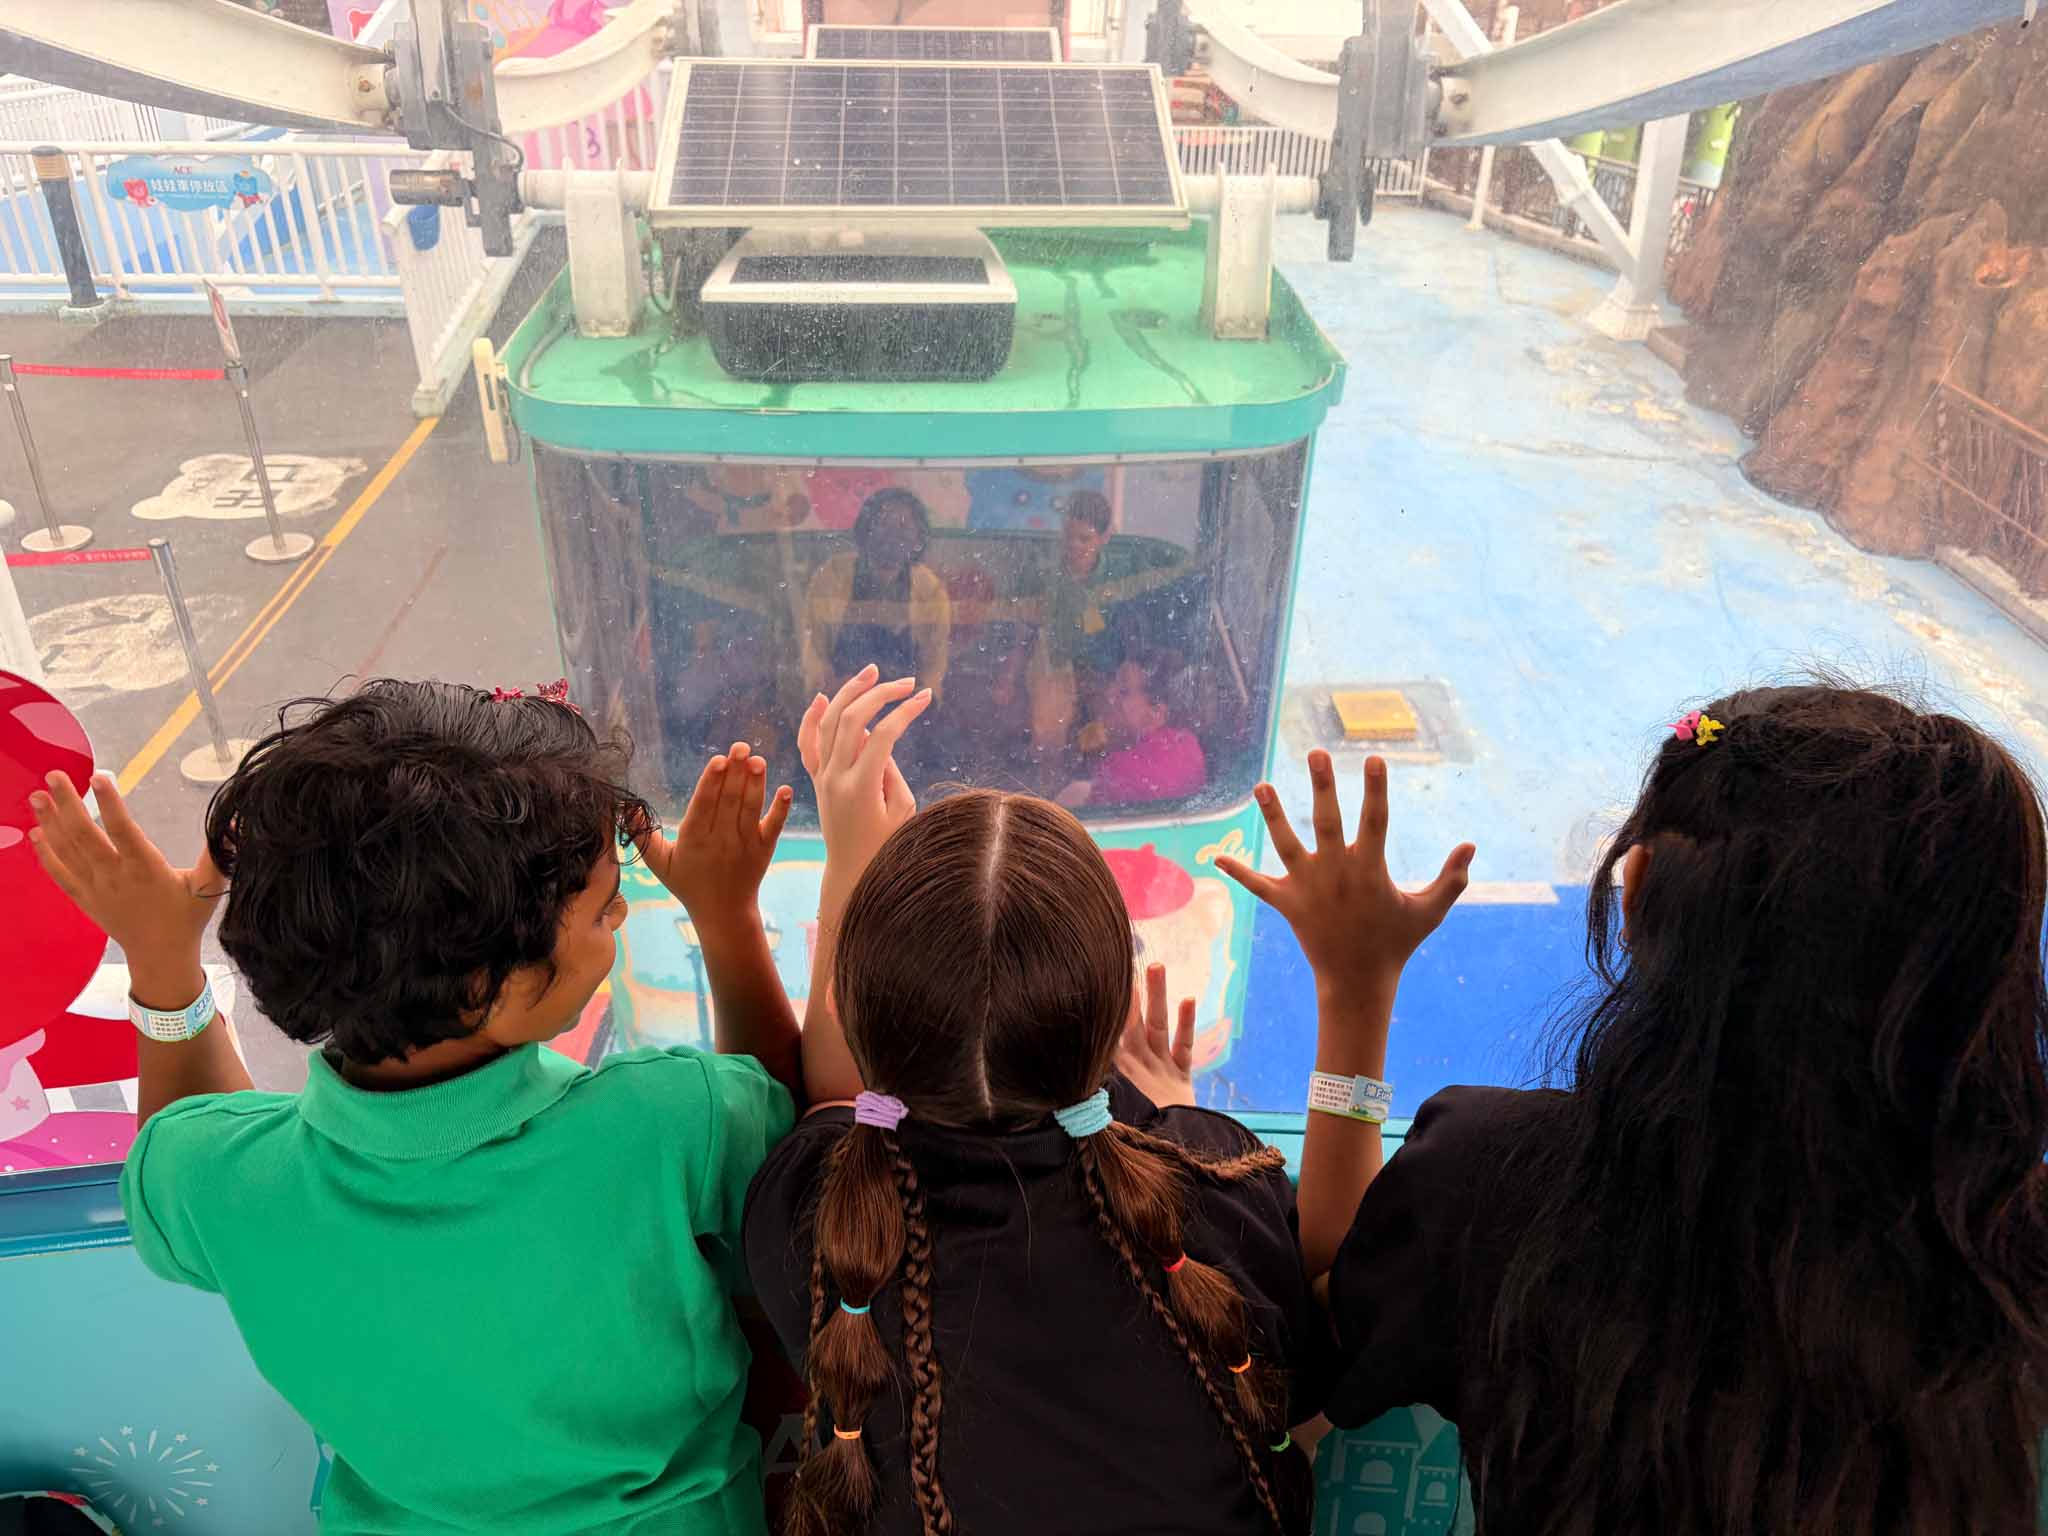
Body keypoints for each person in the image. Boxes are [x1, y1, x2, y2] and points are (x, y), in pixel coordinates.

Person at [1234, 684, 2048, 1536]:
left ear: (1638, 889)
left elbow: (1325, 1324)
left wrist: (1355, 987)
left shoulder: (1494, 1189)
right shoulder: (2001, 1243)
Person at [25, 680, 804, 1536]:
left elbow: (181, 1146)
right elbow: (791, 1150)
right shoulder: (673, 1121)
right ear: (482, 986)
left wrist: (162, 961)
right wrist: (725, 917)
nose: (620, 913)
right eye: (601, 910)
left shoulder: (224, 1182)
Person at [743, 666, 1327, 1536]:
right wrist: (1173, 1112)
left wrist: (852, 854)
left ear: (841, 1004)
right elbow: (1302, 1378)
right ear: (1115, 1019)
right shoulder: (1217, 1180)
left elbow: (835, 1097)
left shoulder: (812, 1216)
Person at [801, 490, 950, 708]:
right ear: (865, 529)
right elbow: (813, 648)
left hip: (904, 707)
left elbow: (934, 664)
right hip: (841, 700)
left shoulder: (930, 588)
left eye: (903, 527)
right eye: (883, 524)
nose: (892, 535)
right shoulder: (832, 575)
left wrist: (920, 699)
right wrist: (826, 687)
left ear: (919, 537)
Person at [1059, 653, 1207, 809]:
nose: (1109, 693)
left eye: (1123, 691)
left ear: (1155, 713)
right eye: (1112, 683)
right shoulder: (1188, 743)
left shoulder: (1119, 770)